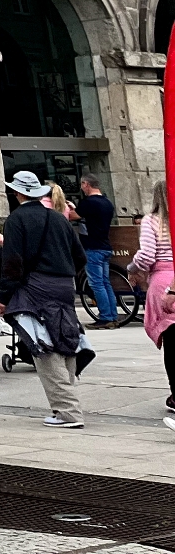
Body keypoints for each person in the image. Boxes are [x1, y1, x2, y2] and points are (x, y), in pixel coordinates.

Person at [0, 169, 90, 430]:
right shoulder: (58, 219)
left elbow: (12, 263)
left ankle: (68, 412)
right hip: (64, 286)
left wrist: (2, 296)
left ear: (16, 192)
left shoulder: (16, 220)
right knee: (66, 340)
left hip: (36, 287)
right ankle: (66, 406)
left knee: (43, 346)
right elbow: (80, 257)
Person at [126, 180, 174, 422]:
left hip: (163, 282)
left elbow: (146, 254)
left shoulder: (152, 221)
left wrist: (132, 268)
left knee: (172, 342)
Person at [77, 174, 119, 328]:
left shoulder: (88, 203)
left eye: (82, 185)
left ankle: (105, 317)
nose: (81, 188)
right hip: (105, 246)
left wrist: (68, 206)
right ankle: (113, 315)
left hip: (92, 247)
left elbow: (73, 215)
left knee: (97, 284)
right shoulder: (107, 203)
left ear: (86, 184)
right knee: (105, 283)